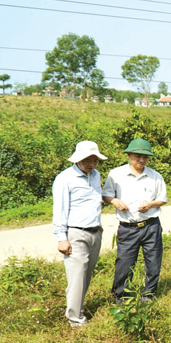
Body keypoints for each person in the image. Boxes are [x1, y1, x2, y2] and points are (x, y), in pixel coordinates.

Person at [102, 139, 168, 303]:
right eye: (137, 156)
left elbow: (162, 199)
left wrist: (151, 204)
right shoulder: (116, 174)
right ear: (128, 155)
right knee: (124, 262)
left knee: (153, 262)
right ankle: (120, 295)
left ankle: (149, 294)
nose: (141, 160)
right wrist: (114, 201)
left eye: (145, 157)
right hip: (128, 227)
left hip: (150, 225)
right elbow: (106, 195)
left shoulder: (155, 176)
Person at [52, 141, 107, 328]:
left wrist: (98, 224)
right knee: (77, 276)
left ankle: (78, 309)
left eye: (95, 160)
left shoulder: (96, 175)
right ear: (78, 159)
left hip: (94, 231)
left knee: (86, 275)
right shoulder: (65, 178)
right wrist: (61, 238)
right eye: (87, 160)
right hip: (75, 233)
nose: (91, 163)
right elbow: (60, 209)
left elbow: (94, 201)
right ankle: (75, 320)